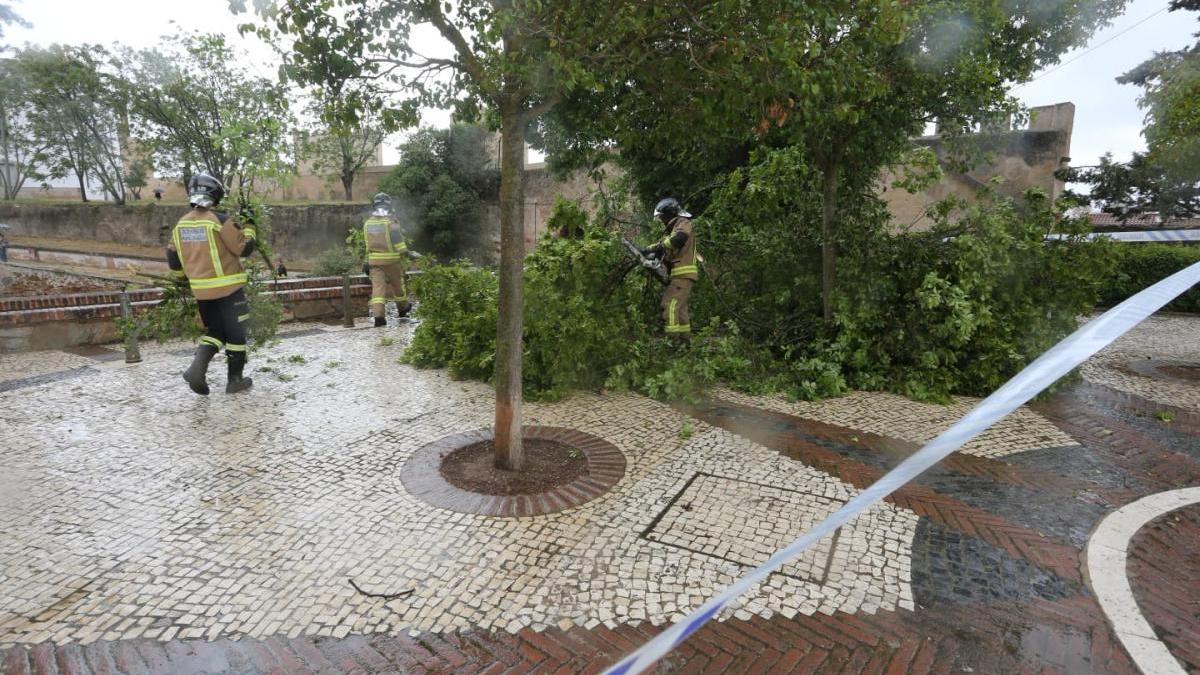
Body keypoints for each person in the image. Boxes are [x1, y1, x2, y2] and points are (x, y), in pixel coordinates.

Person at [167, 173, 257, 395]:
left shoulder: (181, 224)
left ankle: (196, 369)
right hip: (230, 290)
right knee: (236, 335)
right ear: (215, 195)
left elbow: (172, 256)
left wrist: (181, 280)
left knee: (216, 330)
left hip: (201, 292)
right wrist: (250, 226)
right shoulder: (220, 220)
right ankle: (234, 380)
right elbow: (244, 248)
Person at [642, 197, 698, 337]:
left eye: (662, 217)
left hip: (682, 273)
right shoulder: (674, 228)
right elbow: (666, 245)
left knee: (670, 305)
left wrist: (659, 246)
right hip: (680, 275)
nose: (662, 220)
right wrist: (648, 250)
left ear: (669, 214)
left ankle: (672, 341)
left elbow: (679, 239)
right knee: (680, 309)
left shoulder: (683, 223)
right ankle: (685, 342)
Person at [362, 192, 411, 327]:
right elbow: (398, 242)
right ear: (388, 206)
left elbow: (368, 244)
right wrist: (406, 252)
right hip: (392, 261)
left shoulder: (368, 223)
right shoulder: (390, 222)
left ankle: (379, 317)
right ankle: (403, 308)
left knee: (377, 290)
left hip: (374, 262)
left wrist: (367, 261)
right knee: (397, 286)